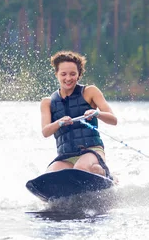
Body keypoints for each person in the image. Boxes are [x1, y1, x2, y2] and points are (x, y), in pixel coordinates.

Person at [40, 50, 117, 178]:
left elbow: (113, 120)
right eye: (63, 74)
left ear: (79, 74)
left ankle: (104, 173)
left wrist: (97, 113)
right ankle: (95, 171)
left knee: (81, 169)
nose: (68, 78)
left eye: (73, 74)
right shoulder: (47, 102)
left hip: (92, 151)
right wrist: (59, 123)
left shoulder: (90, 91)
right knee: (50, 175)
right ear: (56, 74)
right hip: (66, 156)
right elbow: (45, 132)